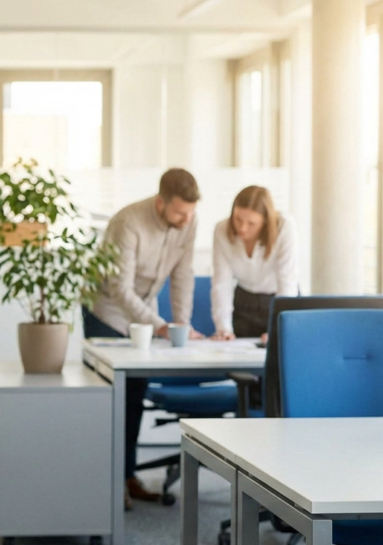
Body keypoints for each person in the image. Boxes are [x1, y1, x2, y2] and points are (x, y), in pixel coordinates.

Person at [83, 167, 203, 509]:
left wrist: (182, 323)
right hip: (106, 311)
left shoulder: (188, 221)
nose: (185, 220)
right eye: (179, 212)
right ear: (160, 202)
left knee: (134, 397)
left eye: (190, 213)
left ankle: (128, 475)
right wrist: (160, 325)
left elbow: (183, 274)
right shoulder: (129, 223)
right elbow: (119, 288)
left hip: (144, 314)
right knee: (110, 400)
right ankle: (107, 481)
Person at [210, 185, 298, 341]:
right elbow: (221, 283)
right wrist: (223, 328)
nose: (242, 228)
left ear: (264, 222)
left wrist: (278, 329)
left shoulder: (284, 227)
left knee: (278, 355)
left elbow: (287, 282)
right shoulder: (222, 230)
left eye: (251, 223)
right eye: (238, 219)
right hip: (243, 303)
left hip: (276, 301)